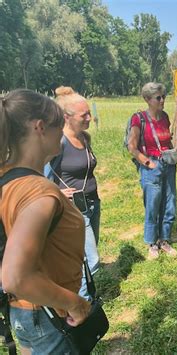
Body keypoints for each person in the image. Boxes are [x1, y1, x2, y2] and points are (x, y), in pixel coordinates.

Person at [0, 89, 90, 353]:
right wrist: (76, 304)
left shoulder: (7, 180)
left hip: (23, 314)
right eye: (58, 125)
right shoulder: (38, 192)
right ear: (39, 127)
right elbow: (15, 276)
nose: (62, 133)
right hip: (49, 316)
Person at [47, 86, 100, 301]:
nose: (89, 117)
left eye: (89, 112)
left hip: (92, 203)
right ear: (67, 117)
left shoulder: (85, 138)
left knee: (87, 256)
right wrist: (57, 192)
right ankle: (81, 304)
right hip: (73, 209)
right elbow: (38, 176)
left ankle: (85, 295)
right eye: (84, 114)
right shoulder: (58, 142)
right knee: (90, 258)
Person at [127, 82, 177, 258]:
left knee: (169, 203)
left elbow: (167, 139)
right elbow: (131, 146)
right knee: (153, 204)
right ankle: (151, 243)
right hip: (151, 166)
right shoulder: (138, 118)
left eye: (164, 96)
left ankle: (164, 240)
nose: (162, 100)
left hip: (168, 165)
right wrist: (147, 163)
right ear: (147, 99)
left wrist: (172, 154)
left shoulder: (164, 117)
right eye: (158, 97)